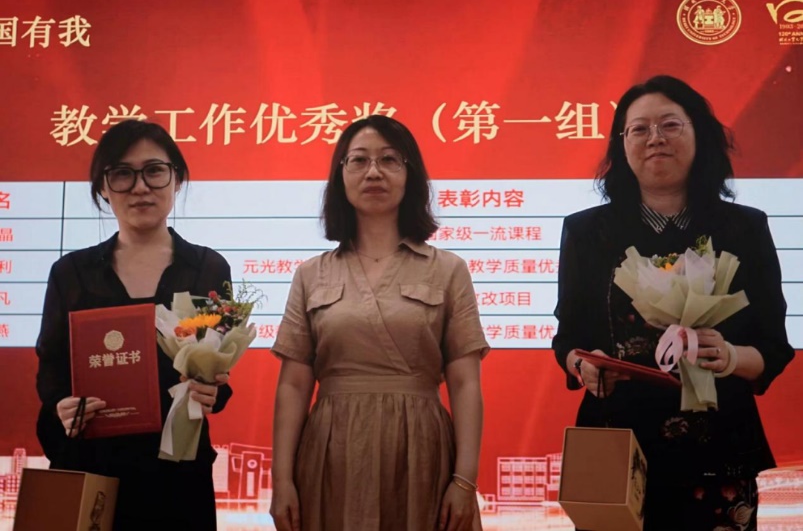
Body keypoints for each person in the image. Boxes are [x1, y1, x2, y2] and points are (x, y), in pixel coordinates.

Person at [552, 75, 795, 530]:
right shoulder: (588, 232)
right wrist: (584, 365)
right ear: (622, 144)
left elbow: (773, 346)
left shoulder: (743, 228)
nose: (655, 139)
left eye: (670, 125)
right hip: (617, 446)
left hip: (719, 448)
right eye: (638, 129)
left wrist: (730, 356)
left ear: (700, 135)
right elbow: (568, 337)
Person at [269, 115, 490, 531]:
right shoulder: (311, 274)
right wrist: (282, 481)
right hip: (332, 451)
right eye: (359, 160)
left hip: (421, 450)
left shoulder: (448, 270)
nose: (374, 172)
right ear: (341, 175)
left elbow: (465, 383)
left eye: (389, 159)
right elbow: (294, 385)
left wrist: (465, 479)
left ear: (410, 175)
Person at [35, 119, 232, 530]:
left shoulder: (208, 268)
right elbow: (51, 368)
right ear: (103, 188)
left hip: (178, 473)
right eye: (122, 174)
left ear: (177, 180)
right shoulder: (71, 273)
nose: (140, 187)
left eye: (154, 171)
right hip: (93, 473)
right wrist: (61, 406)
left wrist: (211, 391)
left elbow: (216, 366)